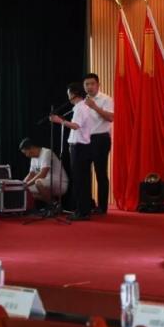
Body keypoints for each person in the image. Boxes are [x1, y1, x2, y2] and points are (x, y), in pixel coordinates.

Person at [49, 82, 94, 221]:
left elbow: (75, 126)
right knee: (82, 180)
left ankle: (82, 212)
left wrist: (59, 121)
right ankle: (84, 210)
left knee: (80, 180)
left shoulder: (80, 108)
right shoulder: (81, 107)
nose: (68, 96)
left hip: (79, 147)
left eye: (69, 93)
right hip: (82, 147)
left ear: (73, 94)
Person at [82, 73, 114, 214]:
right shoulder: (83, 101)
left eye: (92, 84)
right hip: (84, 140)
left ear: (98, 85)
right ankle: (87, 204)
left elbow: (110, 118)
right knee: (84, 174)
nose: (89, 87)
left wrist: (94, 107)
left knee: (100, 173)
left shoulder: (106, 99)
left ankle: (102, 207)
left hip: (100, 139)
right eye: (86, 84)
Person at [19, 138, 69, 204]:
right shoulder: (33, 158)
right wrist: (21, 185)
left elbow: (43, 174)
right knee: (26, 191)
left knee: (38, 182)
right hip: (47, 183)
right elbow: (31, 174)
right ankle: (54, 204)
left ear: (31, 148)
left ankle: (53, 205)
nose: (26, 155)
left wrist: (27, 184)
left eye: (26, 153)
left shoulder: (46, 153)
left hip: (60, 183)